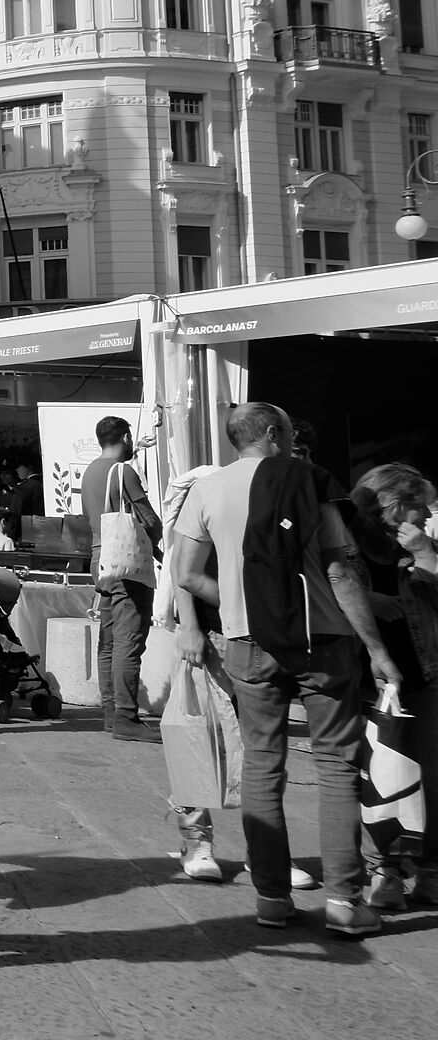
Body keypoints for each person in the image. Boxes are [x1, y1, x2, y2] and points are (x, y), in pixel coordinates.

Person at [166, 401, 404, 936]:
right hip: (323, 642)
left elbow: (185, 573)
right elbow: (341, 573)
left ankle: (272, 898)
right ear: (273, 433)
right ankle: (345, 901)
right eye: (290, 432)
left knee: (262, 765)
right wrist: (377, 649)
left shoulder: (206, 489)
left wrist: (235, 605)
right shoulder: (312, 482)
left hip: (249, 642)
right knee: (338, 767)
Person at [346, 462, 438, 907]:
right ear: (393, 505)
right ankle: (384, 871)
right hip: (368, 681)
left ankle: (428, 870)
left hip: (424, 676)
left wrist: (426, 557)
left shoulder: (423, 546)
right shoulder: (349, 546)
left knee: (430, 777)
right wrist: (367, 600)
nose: (427, 516)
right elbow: (328, 593)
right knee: (379, 779)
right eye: (420, 507)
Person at [81, 416, 163, 742]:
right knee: (129, 639)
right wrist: (158, 542)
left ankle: (111, 714)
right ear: (126, 437)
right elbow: (147, 517)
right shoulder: (123, 471)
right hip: (126, 561)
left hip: (99, 557)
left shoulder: (90, 471)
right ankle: (127, 716)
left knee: (109, 640)